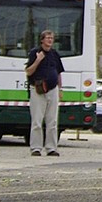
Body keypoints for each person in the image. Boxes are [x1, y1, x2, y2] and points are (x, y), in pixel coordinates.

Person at [25, 29, 64, 157]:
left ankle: (51, 148)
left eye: (51, 38)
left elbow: (58, 72)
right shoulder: (34, 53)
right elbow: (28, 72)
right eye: (47, 38)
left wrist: (60, 88)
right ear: (42, 40)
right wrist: (38, 60)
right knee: (37, 120)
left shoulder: (55, 54)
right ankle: (36, 148)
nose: (50, 40)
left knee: (52, 121)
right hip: (37, 90)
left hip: (53, 89)